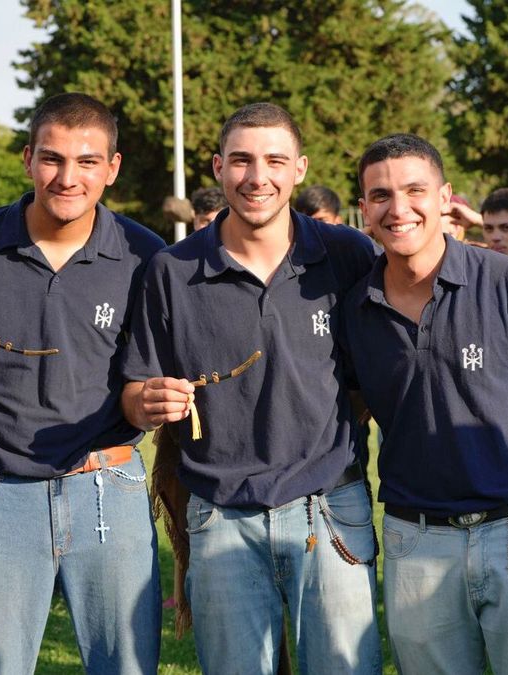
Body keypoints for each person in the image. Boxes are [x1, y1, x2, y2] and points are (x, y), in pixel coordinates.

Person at [122, 103, 381, 674]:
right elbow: (136, 389)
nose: (256, 176)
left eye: (274, 160)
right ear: (218, 167)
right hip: (219, 515)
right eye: (240, 160)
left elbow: (387, 369)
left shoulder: (347, 255)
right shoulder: (171, 270)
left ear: (299, 169)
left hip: (330, 505)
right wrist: (150, 400)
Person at [0, 92, 165, 674]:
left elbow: (143, 378)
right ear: (28, 159)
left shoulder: (146, 254)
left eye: (86, 161)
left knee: (126, 666)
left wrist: (151, 401)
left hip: (108, 488)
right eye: (52, 158)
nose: (68, 177)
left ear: (112, 167)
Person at [342, 134, 508, 674]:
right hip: (416, 542)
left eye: (415, 190)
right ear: (363, 207)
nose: (399, 208)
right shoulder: (355, 307)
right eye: (380, 195)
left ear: (445, 197)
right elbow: (349, 406)